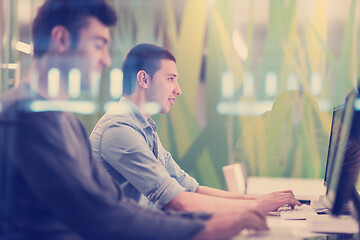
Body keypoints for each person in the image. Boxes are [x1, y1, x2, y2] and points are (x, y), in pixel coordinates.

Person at [0, 0, 269, 239]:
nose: (106, 60)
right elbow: (99, 215)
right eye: (99, 45)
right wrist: (206, 228)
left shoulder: (65, 121)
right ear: (60, 39)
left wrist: (216, 219)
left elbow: (117, 204)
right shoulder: (25, 117)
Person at [90, 43, 301, 214]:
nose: (178, 90)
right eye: (171, 79)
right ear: (144, 79)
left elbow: (191, 188)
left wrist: (260, 200)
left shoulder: (144, 128)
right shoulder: (119, 128)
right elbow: (177, 202)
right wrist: (255, 207)